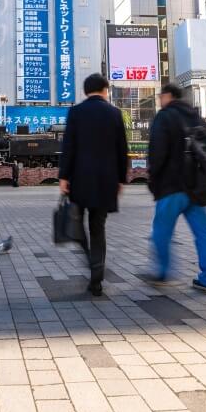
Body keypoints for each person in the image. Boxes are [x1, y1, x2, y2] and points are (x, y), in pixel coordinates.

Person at [58, 73, 128, 297]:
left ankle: (90, 258)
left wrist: (64, 177)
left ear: (86, 90)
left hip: (80, 179)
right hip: (106, 181)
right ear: (105, 89)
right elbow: (121, 149)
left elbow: (68, 147)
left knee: (77, 224)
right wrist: (120, 180)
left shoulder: (76, 112)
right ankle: (96, 277)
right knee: (98, 227)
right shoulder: (114, 113)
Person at [147, 84, 206, 294]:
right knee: (204, 233)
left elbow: (157, 154)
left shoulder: (164, 117)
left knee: (161, 231)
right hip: (196, 188)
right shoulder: (195, 117)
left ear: (168, 96)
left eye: (161, 96)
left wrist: (154, 181)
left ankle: (162, 273)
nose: (160, 99)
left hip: (171, 187)